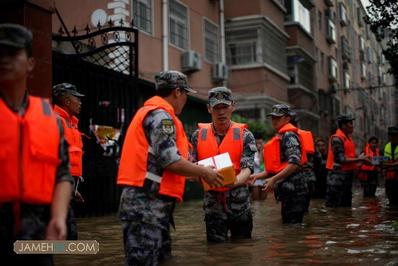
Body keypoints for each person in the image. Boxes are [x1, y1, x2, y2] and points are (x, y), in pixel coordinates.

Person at [117, 70, 223, 265]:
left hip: (152, 205)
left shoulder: (153, 113)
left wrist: (195, 173)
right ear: (177, 92)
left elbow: (162, 164)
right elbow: (170, 160)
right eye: (185, 94)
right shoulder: (161, 117)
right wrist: (204, 172)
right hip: (145, 205)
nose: (185, 99)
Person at [0, 23, 72, 265]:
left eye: (12, 53)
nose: (5, 60)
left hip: (37, 235)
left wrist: (58, 217)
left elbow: (62, 174)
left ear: (30, 63)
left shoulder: (49, 119)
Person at [190, 86, 256, 242]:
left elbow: (248, 168)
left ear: (232, 106)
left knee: (243, 251)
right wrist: (201, 174)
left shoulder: (245, 135)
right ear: (208, 109)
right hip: (213, 206)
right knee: (215, 252)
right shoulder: (197, 136)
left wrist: (232, 182)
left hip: (239, 204)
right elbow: (192, 167)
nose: (221, 112)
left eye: (224, 106)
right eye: (216, 107)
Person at [253, 104, 309, 224]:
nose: (274, 120)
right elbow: (276, 168)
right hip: (289, 191)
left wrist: (273, 179)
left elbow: (294, 163)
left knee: (293, 228)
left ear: (287, 119)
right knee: (290, 227)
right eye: (273, 117)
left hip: (295, 191)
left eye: (278, 117)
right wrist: (256, 176)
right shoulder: (282, 136)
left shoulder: (289, 136)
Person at [52, 82, 85, 240]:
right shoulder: (55, 122)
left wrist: (73, 187)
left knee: (68, 237)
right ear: (66, 101)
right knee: (69, 237)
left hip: (66, 187)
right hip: (57, 190)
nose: (80, 102)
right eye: (76, 98)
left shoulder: (71, 124)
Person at [325, 114, 371, 207]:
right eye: (350, 123)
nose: (352, 126)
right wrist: (360, 159)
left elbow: (350, 158)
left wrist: (361, 160)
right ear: (343, 126)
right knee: (335, 208)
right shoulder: (337, 138)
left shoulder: (348, 138)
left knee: (346, 206)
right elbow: (341, 159)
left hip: (346, 177)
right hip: (337, 178)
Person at [383, 126, 398, 205]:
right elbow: (383, 161)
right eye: (391, 135)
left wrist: (391, 164)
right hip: (390, 178)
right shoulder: (387, 146)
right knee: (391, 201)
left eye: (395, 135)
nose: (393, 137)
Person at [251, 132, 267, 201]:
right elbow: (259, 163)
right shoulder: (252, 151)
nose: (258, 145)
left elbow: (265, 163)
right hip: (255, 178)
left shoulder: (266, 150)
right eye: (257, 143)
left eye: (260, 143)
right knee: (256, 200)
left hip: (265, 177)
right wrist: (259, 151)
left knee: (264, 200)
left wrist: (261, 151)